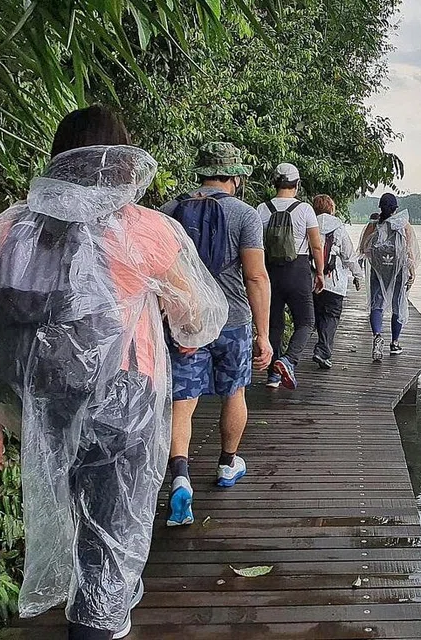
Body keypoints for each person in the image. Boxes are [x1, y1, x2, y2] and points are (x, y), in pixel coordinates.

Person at [0, 105, 228, 640]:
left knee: (71, 517)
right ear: (120, 163)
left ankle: (91, 613)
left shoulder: (10, 228)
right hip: (125, 403)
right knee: (112, 537)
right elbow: (198, 319)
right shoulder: (144, 230)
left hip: (44, 402)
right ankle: (98, 626)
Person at [160, 142, 273, 527]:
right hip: (233, 321)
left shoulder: (170, 213)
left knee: (183, 401)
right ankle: (227, 464)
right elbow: (256, 276)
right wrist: (264, 334)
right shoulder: (244, 215)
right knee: (234, 392)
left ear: (202, 173)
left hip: (186, 322)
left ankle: (179, 476)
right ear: (235, 177)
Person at [256, 163, 325, 389]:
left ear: (275, 183)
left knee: (274, 324)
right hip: (298, 270)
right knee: (306, 321)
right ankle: (288, 359)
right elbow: (316, 245)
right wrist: (321, 272)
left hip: (269, 271)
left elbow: (255, 245)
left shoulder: (261, 209)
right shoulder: (304, 209)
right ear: (297, 184)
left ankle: (273, 376)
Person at [359, 193, 419, 362]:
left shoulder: (374, 225)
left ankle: (377, 336)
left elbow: (364, 247)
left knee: (376, 304)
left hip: (379, 269)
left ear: (380, 207)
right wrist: (412, 270)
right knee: (398, 303)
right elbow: (410, 252)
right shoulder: (403, 224)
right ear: (396, 208)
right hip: (398, 269)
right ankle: (394, 343)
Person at [311, 195, 364, 370]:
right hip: (334, 283)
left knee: (318, 314)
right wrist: (358, 275)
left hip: (312, 280)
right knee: (331, 316)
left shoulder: (310, 224)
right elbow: (349, 257)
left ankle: (321, 347)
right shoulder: (339, 228)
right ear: (331, 209)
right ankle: (323, 350)